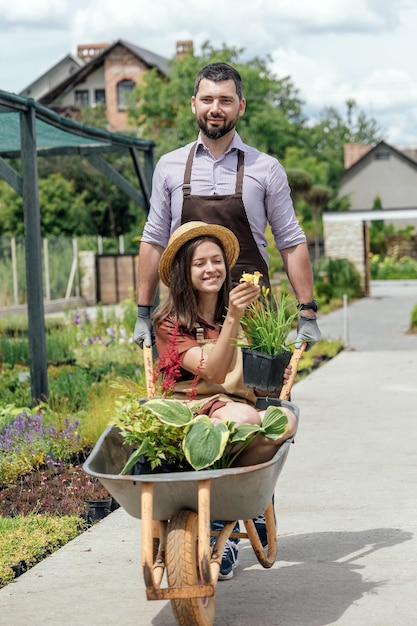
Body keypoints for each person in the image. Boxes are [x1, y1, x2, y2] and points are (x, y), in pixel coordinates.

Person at [134, 61, 320, 351]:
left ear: (241, 106)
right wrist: (143, 312)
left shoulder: (266, 168)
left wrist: (307, 312)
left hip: (255, 316)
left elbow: (291, 241)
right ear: (194, 105)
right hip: (187, 319)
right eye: (207, 99)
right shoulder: (169, 166)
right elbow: (154, 239)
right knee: (190, 395)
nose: (215, 108)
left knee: (261, 394)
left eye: (226, 100)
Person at [152, 220, 298, 579]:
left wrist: (272, 376)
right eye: (199, 263)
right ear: (185, 271)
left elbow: (256, 379)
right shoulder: (171, 323)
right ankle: (224, 512)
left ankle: (229, 502)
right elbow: (213, 373)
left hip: (236, 407)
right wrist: (233, 315)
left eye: (216, 261)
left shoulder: (250, 314)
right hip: (190, 409)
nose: (211, 269)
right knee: (247, 421)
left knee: (287, 423)